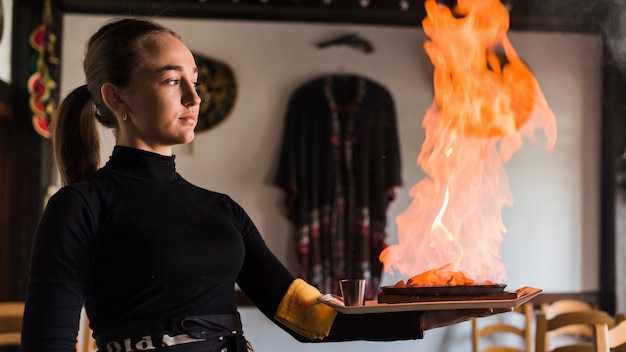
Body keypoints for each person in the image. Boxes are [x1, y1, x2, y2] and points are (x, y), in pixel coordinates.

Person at [21, 17, 510, 352]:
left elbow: (308, 315)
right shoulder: (78, 208)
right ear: (116, 97)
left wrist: (431, 317)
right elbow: (48, 344)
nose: (195, 95)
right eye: (173, 81)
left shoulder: (222, 211)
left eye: (195, 79)